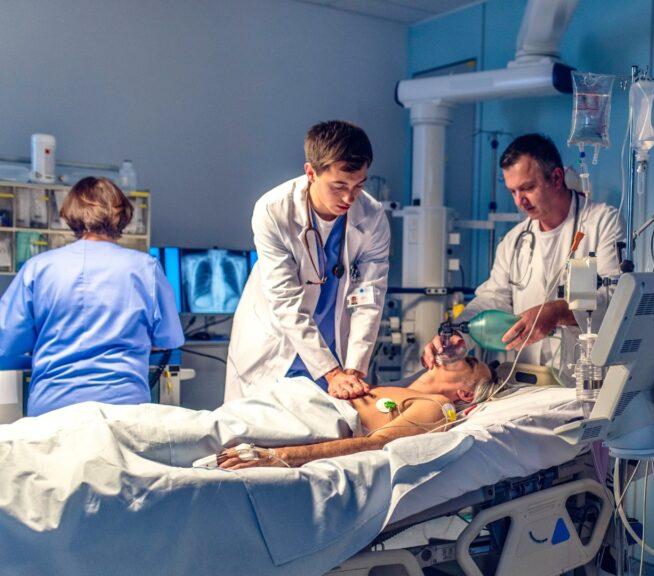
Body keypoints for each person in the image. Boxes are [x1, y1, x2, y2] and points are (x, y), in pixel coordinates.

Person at [420, 133, 624, 378]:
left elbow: (615, 298)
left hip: (588, 376)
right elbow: (494, 298)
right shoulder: (514, 241)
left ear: (556, 178)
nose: (520, 201)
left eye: (528, 188)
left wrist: (557, 312)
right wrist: (459, 332)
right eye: (513, 191)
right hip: (530, 377)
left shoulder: (602, 223)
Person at [226, 120, 391, 402]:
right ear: (311, 172)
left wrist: (352, 368)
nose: (349, 197)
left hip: (335, 356)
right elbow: (286, 300)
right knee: (256, 438)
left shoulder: (371, 216)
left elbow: (368, 297)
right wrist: (331, 373)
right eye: (339, 185)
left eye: (359, 185)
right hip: (275, 350)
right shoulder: (274, 210)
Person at [0, 176, 184, 416]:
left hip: (52, 409)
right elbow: (169, 338)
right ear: (123, 215)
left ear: (69, 213)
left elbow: (8, 340)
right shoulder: (145, 268)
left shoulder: (38, 268)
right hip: (123, 409)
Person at [217, 356, 497, 469]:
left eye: (469, 361)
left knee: (203, 432)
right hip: (296, 403)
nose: (457, 354)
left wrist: (279, 456)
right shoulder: (407, 390)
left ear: (466, 394)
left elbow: (374, 444)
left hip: (313, 418)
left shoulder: (437, 406)